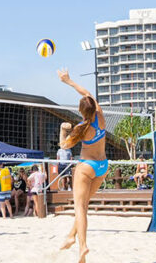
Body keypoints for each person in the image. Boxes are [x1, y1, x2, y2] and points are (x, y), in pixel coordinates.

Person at [57, 69, 108, 263]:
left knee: (79, 207)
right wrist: (69, 80)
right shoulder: (100, 116)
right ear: (93, 107)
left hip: (87, 166)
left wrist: (63, 130)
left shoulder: (80, 128)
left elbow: (63, 146)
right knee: (84, 206)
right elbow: (87, 94)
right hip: (103, 166)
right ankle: (71, 236)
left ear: (81, 111)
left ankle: (83, 246)